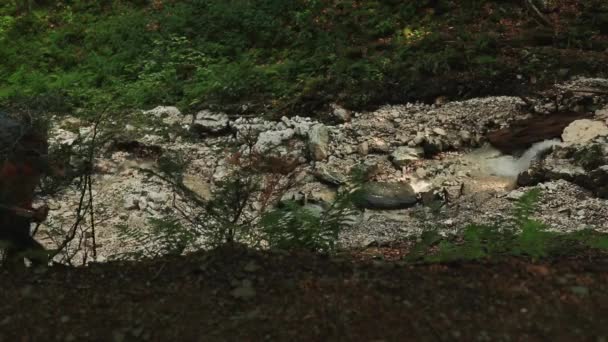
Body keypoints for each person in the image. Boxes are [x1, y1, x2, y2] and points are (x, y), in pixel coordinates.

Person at [0, 112, 54, 269]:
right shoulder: (15, 168)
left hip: (13, 214)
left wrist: (32, 213)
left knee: (17, 251)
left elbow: (19, 203)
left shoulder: (24, 168)